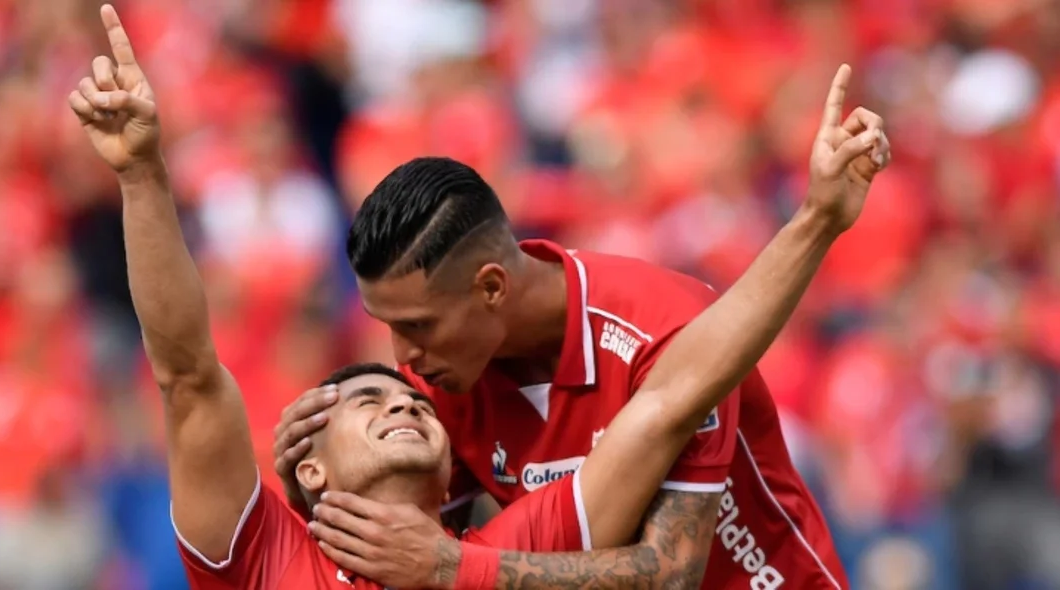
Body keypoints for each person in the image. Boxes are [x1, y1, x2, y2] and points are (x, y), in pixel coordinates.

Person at [69, 5, 887, 588]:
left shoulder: (514, 534)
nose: (405, 385)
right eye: (368, 392)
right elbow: (184, 371)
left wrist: (816, 219)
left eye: (416, 338)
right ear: (308, 465)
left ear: (489, 288)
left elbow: (670, 417)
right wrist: (140, 172)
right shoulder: (269, 563)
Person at [273, 68, 890, 590]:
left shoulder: (664, 331)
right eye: (389, 327)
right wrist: (317, 488)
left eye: (419, 326)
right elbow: (406, 550)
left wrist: (455, 568)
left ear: (491, 287)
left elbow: (670, 571)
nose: (403, 356)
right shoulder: (436, 391)